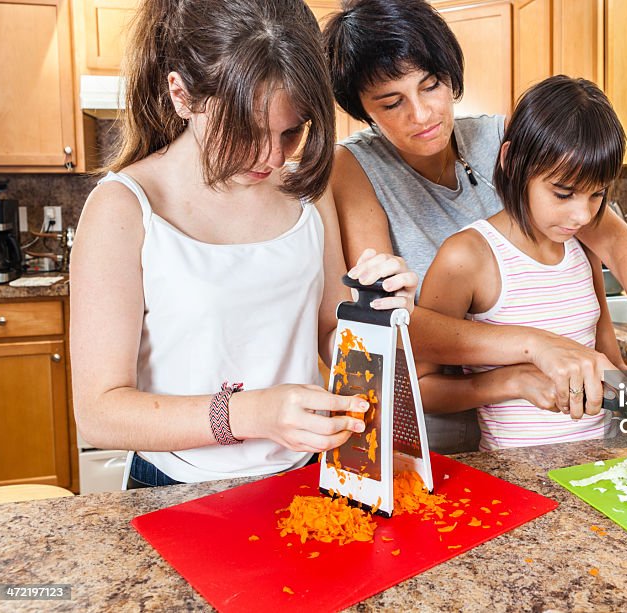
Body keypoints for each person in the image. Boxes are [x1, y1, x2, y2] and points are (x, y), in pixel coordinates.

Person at [323, 0, 627, 454]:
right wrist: (532, 349)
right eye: (392, 103)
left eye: (431, 86)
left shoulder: (503, 140)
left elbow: (621, 249)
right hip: (436, 425)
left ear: (452, 75)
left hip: (540, 419)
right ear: (363, 110)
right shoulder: (353, 168)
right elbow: (392, 321)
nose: (422, 114)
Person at [69, 0, 417, 487]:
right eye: (244, 131)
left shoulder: (306, 194)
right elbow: (100, 412)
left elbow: (327, 328)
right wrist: (252, 414)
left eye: (292, 131)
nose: (271, 158)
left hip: (304, 474)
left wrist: (372, 317)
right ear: (182, 95)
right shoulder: (125, 208)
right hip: (178, 488)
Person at [417, 76, 627, 450]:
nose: (582, 215)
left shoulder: (584, 246)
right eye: (563, 193)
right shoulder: (467, 257)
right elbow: (420, 390)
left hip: (600, 459)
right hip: (517, 473)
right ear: (512, 162)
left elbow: (611, 364)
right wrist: (512, 381)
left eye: (597, 194)